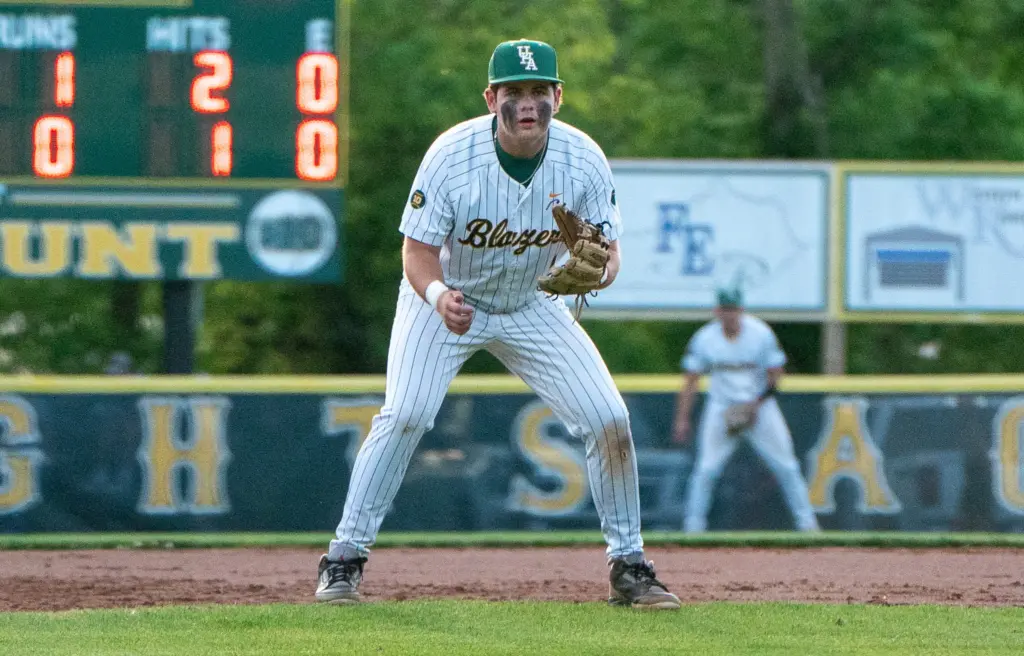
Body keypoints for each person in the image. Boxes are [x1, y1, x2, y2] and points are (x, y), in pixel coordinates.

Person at [315, 38, 680, 610]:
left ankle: (629, 565)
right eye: (514, 91)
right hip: (446, 298)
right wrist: (439, 296)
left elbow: (608, 253)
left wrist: (600, 271)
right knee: (406, 414)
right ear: (491, 99)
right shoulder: (450, 156)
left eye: (539, 90)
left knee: (608, 418)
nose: (528, 102)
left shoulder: (583, 158)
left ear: (558, 96)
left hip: (532, 302)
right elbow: (417, 253)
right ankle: (344, 558)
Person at [672, 288, 819, 533]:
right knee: (706, 470)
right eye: (725, 309)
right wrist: (682, 419)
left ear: (741, 310)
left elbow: (776, 374)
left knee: (787, 467)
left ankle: (808, 526)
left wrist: (755, 405)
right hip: (721, 408)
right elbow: (691, 381)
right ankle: (692, 528)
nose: (729, 314)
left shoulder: (760, 333)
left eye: (733, 309)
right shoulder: (705, 338)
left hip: (760, 407)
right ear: (717, 311)